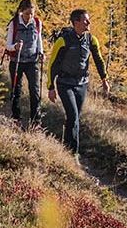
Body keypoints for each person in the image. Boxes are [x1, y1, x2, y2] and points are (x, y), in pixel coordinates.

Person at [45, 8, 109, 157]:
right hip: (64, 83)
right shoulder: (63, 40)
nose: (89, 22)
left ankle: (66, 149)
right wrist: (50, 87)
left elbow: (99, 60)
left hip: (82, 84)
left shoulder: (91, 40)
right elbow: (52, 64)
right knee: (73, 115)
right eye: (86, 20)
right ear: (76, 22)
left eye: (88, 19)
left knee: (74, 118)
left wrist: (104, 79)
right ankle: (73, 153)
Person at [4, 0, 46, 129]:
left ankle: (35, 121)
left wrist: (41, 53)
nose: (30, 16)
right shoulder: (14, 23)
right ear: (22, 11)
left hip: (32, 62)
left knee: (35, 91)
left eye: (32, 13)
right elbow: (8, 45)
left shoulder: (37, 23)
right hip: (17, 61)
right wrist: (15, 46)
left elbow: (39, 41)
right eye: (28, 13)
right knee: (16, 89)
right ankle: (16, 118)